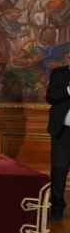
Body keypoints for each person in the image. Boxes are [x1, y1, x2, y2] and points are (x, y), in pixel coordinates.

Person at [46, 52, 70, 221]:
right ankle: (57, 208)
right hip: (62, 131)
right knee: (59, 170)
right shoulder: (59, 73)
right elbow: (51, 97)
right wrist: (69, 89)